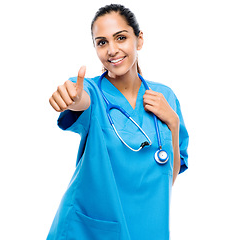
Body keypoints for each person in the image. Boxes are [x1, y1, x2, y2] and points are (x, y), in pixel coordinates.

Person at [48, 4, 189, 240]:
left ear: (139, 39)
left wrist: (173, 124)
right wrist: (71, 97)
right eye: (102, 42)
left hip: (149, 228)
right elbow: (79, 98)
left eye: (120, 38)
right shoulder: (91, 91)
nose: (112, 50)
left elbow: (167, 177)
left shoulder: (166, 97)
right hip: (90, 230)